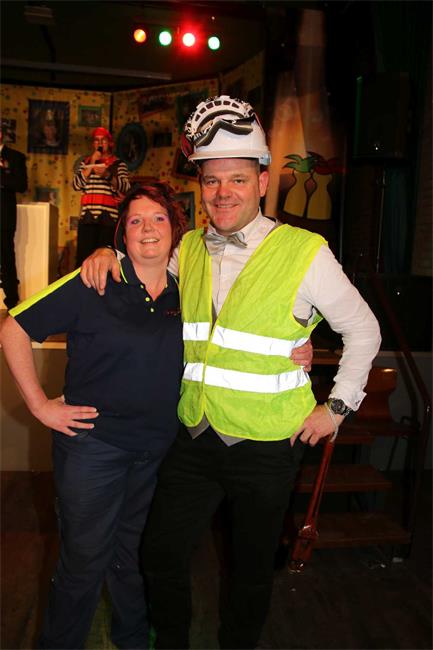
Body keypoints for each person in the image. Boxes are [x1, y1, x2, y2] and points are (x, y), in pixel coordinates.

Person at [80, 95, 381, 649]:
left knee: (249, 569)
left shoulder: (305, 251)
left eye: (237, 179)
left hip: (268, 443)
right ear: (201, 186)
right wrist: (107, 255)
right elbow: (145, 271)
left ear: (262, 182)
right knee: (160, 554)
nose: (223, 192)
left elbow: (364, 330)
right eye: (212, 180)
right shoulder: (188, 247)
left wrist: (337, 407)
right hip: (194, 434)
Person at [0, 182, 188, 649]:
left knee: (132, 555)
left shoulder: (188, 291)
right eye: (136, 220)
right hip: (94, 450)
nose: (148, 228)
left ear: (175, 228)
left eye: (158, 218)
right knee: (83, 562)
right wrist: (40, 405)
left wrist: (299, 348)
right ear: (122, 232)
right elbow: (13, 329)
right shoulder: (94, 281)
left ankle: (132, 639)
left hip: (156, 451)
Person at [73, 126, 130, 266]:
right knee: (84, 260)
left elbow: (126, 187)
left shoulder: (118, 164)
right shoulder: (85, 163)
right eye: (96, 140)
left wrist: (107, 175)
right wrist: (92, 162)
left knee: (104, 260)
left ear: (109, 143)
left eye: (103, 140)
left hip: (108, 220)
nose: (99, 143)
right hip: (87, 219)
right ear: (93, 144)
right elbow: (76, 185)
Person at [0, 125, 27, 310]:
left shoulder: (15, 157)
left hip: (3, 215)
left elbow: (21, 185)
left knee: (6, 257)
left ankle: (11, 300)